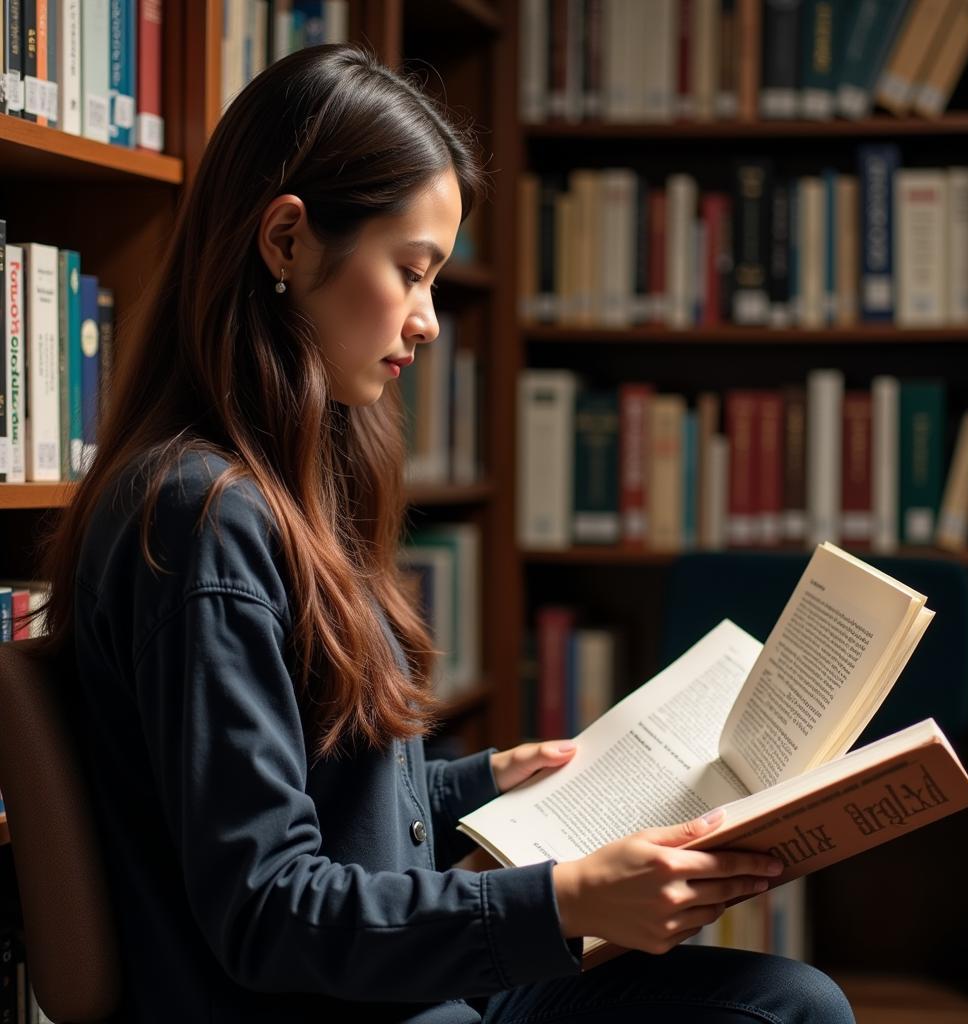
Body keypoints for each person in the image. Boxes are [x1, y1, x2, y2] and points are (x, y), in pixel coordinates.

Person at [40, 45, 856, 1024]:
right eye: (412, 272)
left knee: (786, 1000)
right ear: (288, 240)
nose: (428, 321)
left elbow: (289, 789)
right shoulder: (203, 521)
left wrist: (475, 784)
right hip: (326, 1002)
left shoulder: (267, 493)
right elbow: (264, 907)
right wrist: (566, 899)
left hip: (389, 982)